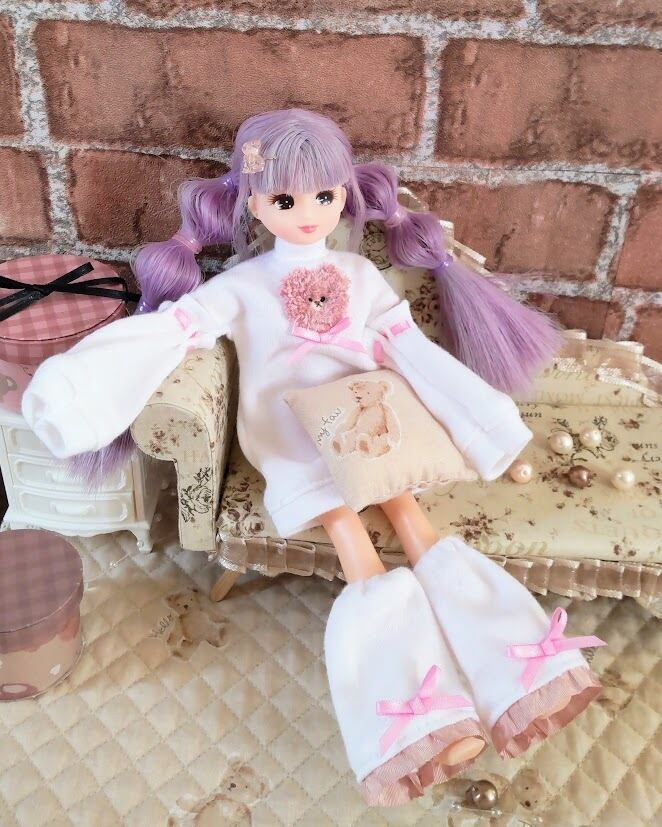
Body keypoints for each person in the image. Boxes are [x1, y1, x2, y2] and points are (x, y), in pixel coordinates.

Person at [21, 108, 604, 806]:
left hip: (370, 415)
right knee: (354, 544)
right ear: (252, 204)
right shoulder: (243, 285)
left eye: (324, 196)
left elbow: (407, 350)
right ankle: (419, 713)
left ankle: (513, 671)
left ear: (345, 195)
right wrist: (77, 391)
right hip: (290, 429)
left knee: (414, 520)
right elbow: (175, 329)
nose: (307, 214)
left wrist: (479, 415)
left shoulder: (358, 273)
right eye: (285, 199)